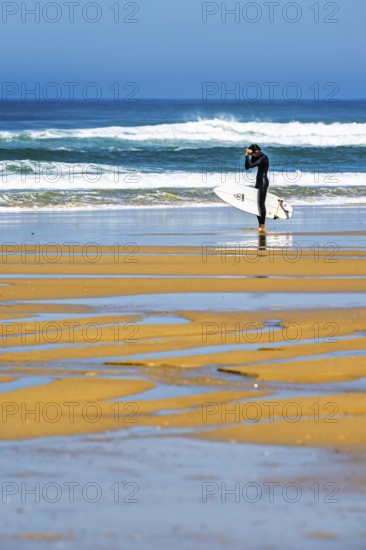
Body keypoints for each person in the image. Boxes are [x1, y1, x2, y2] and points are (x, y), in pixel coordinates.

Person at [244, 144, 269, 232]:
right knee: (256, 203)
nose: (252, 156)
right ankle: (260, 225)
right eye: (251, 155)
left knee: (261, 203)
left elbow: (251, 165)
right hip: (258, 181)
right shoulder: (256, 156)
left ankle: (262, 226)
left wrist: (247, 155)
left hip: (263, 182)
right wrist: (247, 157)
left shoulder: (263, 157)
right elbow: (247, 167)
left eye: (252, 154)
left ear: (256, 151)